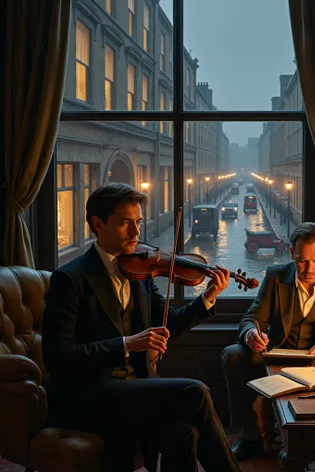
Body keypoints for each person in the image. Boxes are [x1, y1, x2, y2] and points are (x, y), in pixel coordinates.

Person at [42, 183, 241, 472]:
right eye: (125, 223)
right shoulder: (70, 279)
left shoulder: (140, 271)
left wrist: (207, 296)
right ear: (98, 224)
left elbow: (169, 322)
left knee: (184, 432)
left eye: (138, 222)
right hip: (89, 394)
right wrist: (126, 344)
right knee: (194, 391)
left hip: (135, 388)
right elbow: (58, 357)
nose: (136, 233)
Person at [222, 222, 315, 461]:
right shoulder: (275, 276)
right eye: (302, 260)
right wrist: (250, 334)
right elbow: (252, 318)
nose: (309, 269)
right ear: (292, 253)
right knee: (233, 354)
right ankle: (250, 437)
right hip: (277, 357)